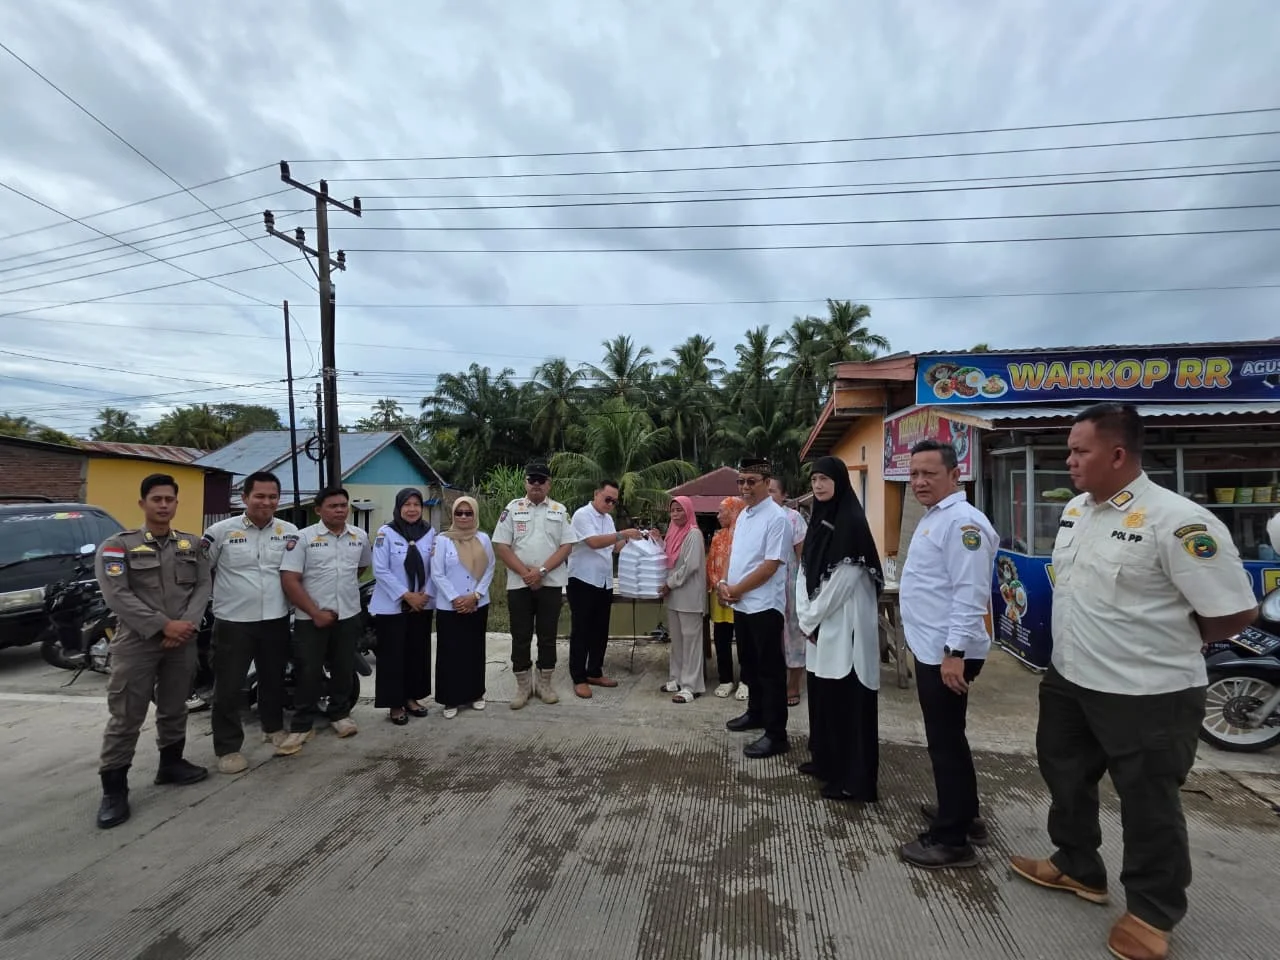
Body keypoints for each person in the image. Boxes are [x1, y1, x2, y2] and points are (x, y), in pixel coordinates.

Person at [1010, 403, 1258, 960]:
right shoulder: (1077, 510)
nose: (1069, 460)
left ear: (1118, 454)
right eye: (1069, 450)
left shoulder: (1178, 521)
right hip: (1072, 676)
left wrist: (1170, 642)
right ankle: (1078, 865)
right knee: (1064, 771)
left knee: (1148, 800)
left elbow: (1234, 612)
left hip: (1149, 691)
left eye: (1081, 451)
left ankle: (1151, 911)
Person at [898, 439, 998, 869]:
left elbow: (971, 593)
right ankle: (963, 812)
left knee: (945, 741)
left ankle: (952, 839)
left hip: (947, 651)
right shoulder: (937, 517)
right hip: (933, 646)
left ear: (955, 475)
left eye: (929, 474)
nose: (919, 482)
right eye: (914, 474)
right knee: (948, 736)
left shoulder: (962, 524)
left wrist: (954, 652)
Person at [94, 473, 213, 829]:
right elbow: (117, 595)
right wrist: (164, 625)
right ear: (142, 503)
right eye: (157, 499)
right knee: (126, 715)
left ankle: (171, 764)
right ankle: (114, 790)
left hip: (182, 640)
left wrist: (185, 626)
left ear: (177, 503)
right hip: (138, 642)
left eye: (169, 499)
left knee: (175, 705)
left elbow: (203, 585)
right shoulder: (118, 546)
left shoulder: (192, 545)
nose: (164, 505)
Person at [795, 455, 884, 802]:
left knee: (849, 702)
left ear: (840, 483)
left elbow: (843, 580)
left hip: (843, 626)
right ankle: (826, 762)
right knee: (824, 698)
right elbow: (804, 571)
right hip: (818, 628)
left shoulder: (851, 522)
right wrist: (806, 616)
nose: (818, 485)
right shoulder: (817, 521)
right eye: (814, 479)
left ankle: (854, 780)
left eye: (825, 479)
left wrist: (809, 617)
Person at [201, 471, 298, 774]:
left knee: (272, 679)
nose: (266, 502)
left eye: (272, 497)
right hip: (233, 622)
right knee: (228, 686)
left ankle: (273, 728)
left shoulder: (289, 531)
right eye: (259, 496)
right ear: (244, 498)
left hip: (275, 619)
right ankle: (228, 747)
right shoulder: (219, 532)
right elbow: (202, 572)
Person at [278, 487, 372, 753]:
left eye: (344, 505)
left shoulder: (359, 536)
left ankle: (340, 714)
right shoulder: (303, 538)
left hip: (349, 614)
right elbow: (289, 579)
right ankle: (301, 725)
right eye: (333, 506)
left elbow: (360, 567)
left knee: (343, 666)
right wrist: (315, 612)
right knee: (308, 670)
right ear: (318, 510)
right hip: (311, 618)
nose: (340, 510)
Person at [719, 458, 793, 758]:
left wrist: (735, 589)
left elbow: (770, 566)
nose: (745, 487)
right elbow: (733, 554)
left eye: (752, 481)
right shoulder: (744, 515)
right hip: (742, 604)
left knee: (770, 670)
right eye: (741, 481)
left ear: (766, 482)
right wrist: (724, 583)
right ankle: (756, 713)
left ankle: (776, 734)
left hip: (764, 606)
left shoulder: (777, 518)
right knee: (749, 664)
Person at [491, 460, 580, 709]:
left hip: (550, 583)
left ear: (549, 484)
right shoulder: (512, 508)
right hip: (518, 585)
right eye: (532, 480)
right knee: (520, 636)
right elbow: (502, 545)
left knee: (547, 636)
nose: (537, 484)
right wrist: (526, 574)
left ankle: (544, 684)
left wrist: (540, 572)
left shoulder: (560, 510)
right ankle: (523, 687)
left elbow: (567, 546)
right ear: (525, 482)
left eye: (542, 480)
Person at [566, 479, 640, 699]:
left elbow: (614, 547)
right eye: (607, 499)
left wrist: (637, 538)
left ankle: (594, 671)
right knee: (581, 630)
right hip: (583, 580)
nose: (610, 504)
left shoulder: (608, 519)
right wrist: (623, 534)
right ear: (596, 494)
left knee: (600, 630)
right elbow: (594, 542)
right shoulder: (582, 515)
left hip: (604, 581)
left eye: (614, 501)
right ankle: (578, 677)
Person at [369, 488, 436, 725]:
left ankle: (411, 698)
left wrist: (423, 595)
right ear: (399, 507)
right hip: (393, 605)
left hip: (422, 604)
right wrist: (407, 595)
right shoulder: (385, 533)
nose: (412, 509)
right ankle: (395, 704)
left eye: (416, 504)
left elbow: (434, 567)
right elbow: (380, 570)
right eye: (407, 504)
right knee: (392, 656)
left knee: (417, 653)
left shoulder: (429, 533)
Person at [432, 495, 496, 718]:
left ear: (475, 515)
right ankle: (451, 699)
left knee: (474, 651)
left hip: (478, 604)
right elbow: (437, 573)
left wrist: (475, 596)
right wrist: (455, 599)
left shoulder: (483, 539)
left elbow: (490, 568)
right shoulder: (442, 540)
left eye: (468, 513)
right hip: (450, 607)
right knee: (450, 653)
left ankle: (476, 693)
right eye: (459, 513)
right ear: (453, 515)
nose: (463, 517)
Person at [659, 495, 707, 703]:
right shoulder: (672, 533)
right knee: (677, 641)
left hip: (689, 596)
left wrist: (669, 583)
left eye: (680, 510)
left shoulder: (693, 534)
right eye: (673, 510)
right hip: (674, 596)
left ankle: (691, 686)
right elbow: (668, 559)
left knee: (691, 642)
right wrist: (657, 540)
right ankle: (676, 678)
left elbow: (690, 566)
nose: (676, 514)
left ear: (688, 511)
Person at [769, 477, 809, 707]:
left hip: (790, 585)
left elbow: (802, 557)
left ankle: (793, 684)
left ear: (784, 495)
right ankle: (773, 683)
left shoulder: (793, 519)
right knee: (771, 637)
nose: (770, 495)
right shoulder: (758, 517)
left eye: (774, 491)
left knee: (793, 634)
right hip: (764, 586)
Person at [707, 496, 746, 699]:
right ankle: (726, 679)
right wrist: (718, 585)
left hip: (741, 593)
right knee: (721, 639)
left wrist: (733, 588)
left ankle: (746, 681)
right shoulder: (717, 536)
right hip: (719, 594)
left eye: (722, 511)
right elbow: (711, 564)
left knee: (744, 639)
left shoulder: (744, 535)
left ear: (734, 512)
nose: (718, 515)